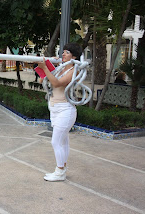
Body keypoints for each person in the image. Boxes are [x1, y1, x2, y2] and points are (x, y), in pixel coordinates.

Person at [37, 43, 82, 182]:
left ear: (74, 56)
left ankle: (59, 171)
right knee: (63, 142)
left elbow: (57, 83)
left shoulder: (74, 71)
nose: (63, 54)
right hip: (55, 108)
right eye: (63, 52)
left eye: (67, 52)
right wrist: (48, 67)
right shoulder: (60, 69)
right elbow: (42, 80)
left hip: (65, 109)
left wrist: (47, 68)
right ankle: (63, 167)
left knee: (56, 142)